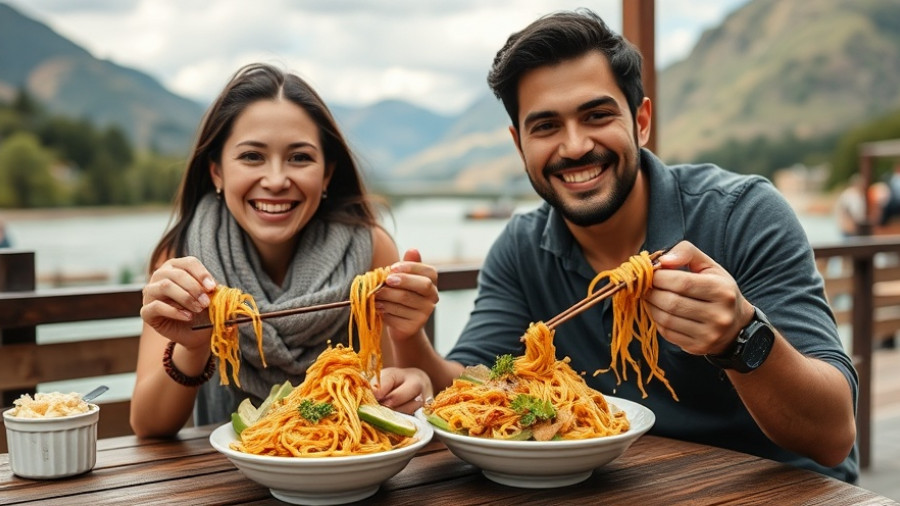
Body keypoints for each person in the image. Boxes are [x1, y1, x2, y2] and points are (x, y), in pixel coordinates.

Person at [391, 9, 859, 482]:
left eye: (596, 116)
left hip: (777, 489)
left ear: (641, 121)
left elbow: (833, 435)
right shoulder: (521, 248)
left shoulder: (741, 214)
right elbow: (475, 386)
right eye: (546, 126)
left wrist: (739, 336)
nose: (574, 146)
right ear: (519, 145)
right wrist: (408, 335)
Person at [132, 63, 439, 438]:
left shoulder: (371, 248)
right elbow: (148, 426)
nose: (276, 180)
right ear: (216, 172)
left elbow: (395, 395)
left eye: (299, 158)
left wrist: (411, 381)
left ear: (326, 174)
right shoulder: (181, 259)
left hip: (342, 465)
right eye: (251, 157)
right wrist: (193, 347)